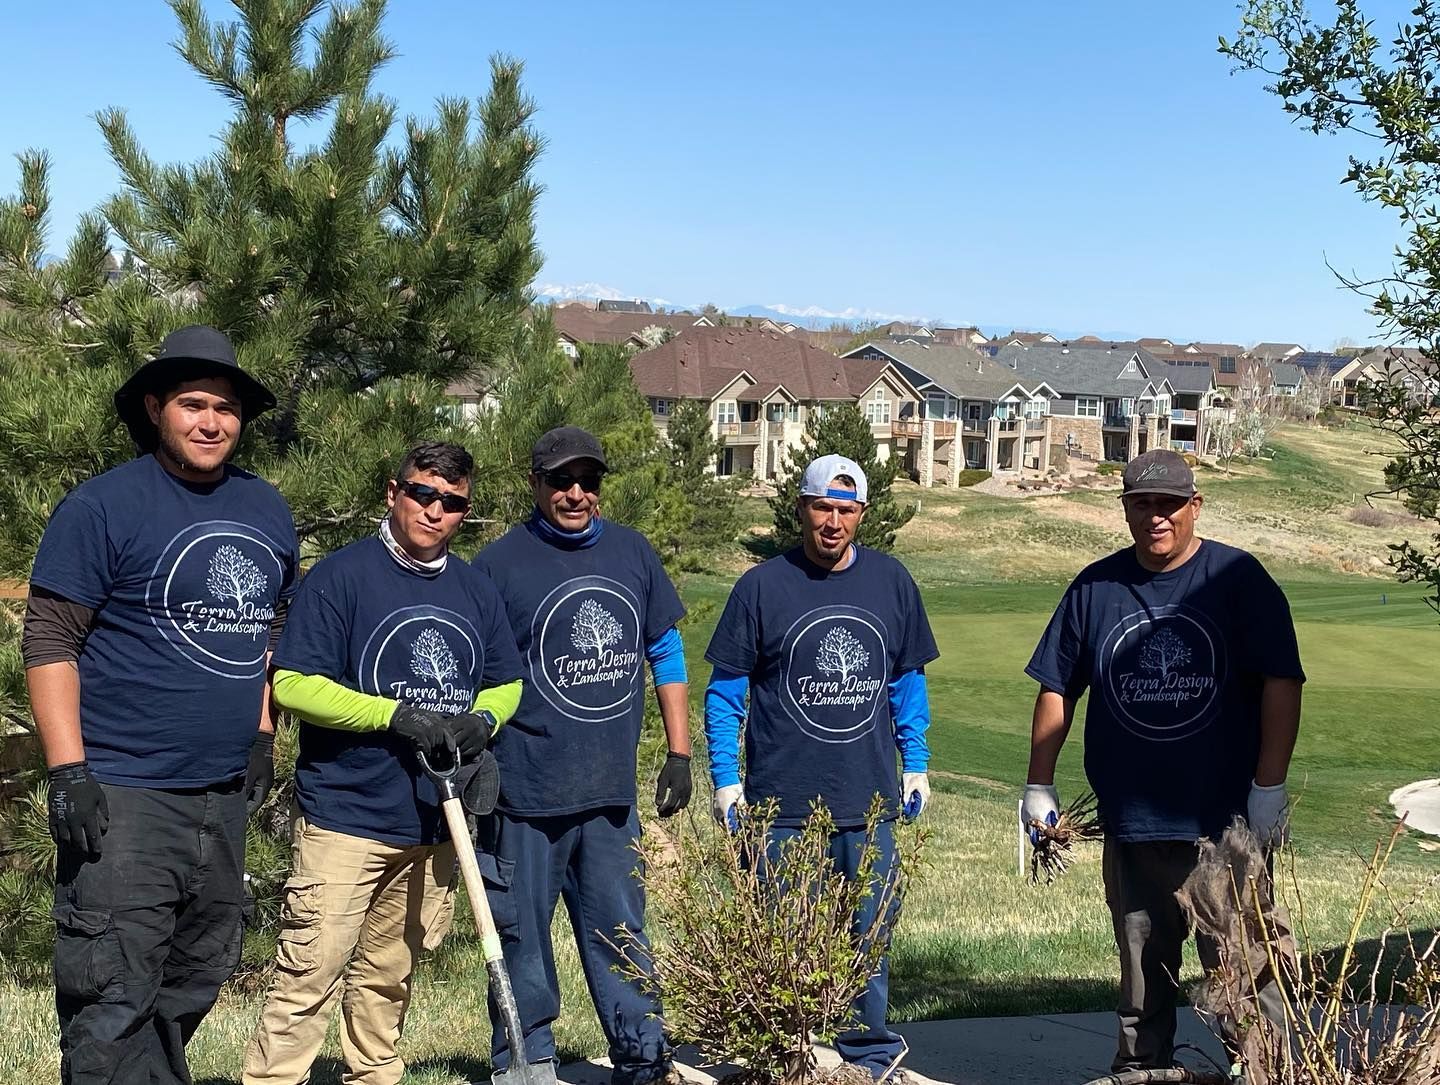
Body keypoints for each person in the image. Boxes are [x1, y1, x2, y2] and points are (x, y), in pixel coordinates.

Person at [23, 325, 299, 1085]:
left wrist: (263, 733)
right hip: (124, 793)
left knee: (196, 971)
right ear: (155, 408)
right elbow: (49, 640)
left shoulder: (267, 510)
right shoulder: (103, 507)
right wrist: (68, 770)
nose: (212, 422)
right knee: (111, 987)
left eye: (227, 408)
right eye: (193, 404)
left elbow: (271, 631)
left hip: (221, 793)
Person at [243, 441, 524, 1085]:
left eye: (453, 503)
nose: (435, 511)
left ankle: (375, 1076)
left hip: (433, 818)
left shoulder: (474, 587)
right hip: (347, 816)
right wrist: (391, 715)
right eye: (423, 494)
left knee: (389, 978)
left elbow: (509, 680)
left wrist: (480, 721)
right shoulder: (342, 577)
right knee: (308, 973)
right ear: (393, 494)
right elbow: (292, 685)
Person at [1022, 448, 1304, 1073]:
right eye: (1142, 504)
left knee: (1248, 978)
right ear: (1125, 509)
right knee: (1142, 984)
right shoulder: (1096, 586)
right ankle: (1145, 1072)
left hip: (1224, 828)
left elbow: (1283, 684)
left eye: (1169, 505)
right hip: (1132, 826)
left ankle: (1268, 1074)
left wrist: (1268, 787)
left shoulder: (1239, 579)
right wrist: (1038, 782)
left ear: (1194, 506)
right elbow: (1056, 687)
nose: (1156, 517)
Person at [703, 453, 938, 1081]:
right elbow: (727, 694)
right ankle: (783, 1052)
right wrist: (726, 780)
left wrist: (915, 762)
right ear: (800, 509)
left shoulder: (891, 582)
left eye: (845, 509)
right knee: (780, 939)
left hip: (868, 798)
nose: (832, 522)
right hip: (780, 801)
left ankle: (870, 1052)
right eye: (820, 508)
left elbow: (906, 682)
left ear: (862, 514)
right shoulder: (761, 586)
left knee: (870, 933)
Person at [473, 426, 692, 1085]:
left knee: (622, 934)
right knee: (521, 938)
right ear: (534, 484)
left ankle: (642, 1056)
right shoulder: (498, 564)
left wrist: (679, 752)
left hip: (609, 793)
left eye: (588, 481)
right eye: (561, 481)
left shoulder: (632, 552)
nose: (575, 493)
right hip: (524, 790)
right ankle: (525, 1059)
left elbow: (666, 651)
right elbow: (478, 669)